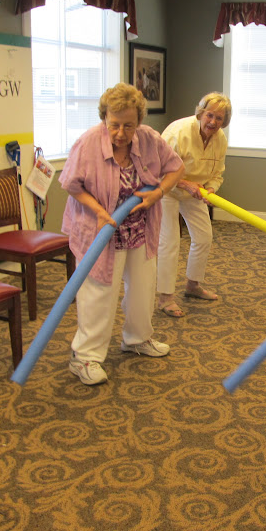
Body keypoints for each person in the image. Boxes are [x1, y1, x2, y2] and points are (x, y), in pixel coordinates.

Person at [59, 83, 185, 386]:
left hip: (139, 227)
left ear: (138, 121)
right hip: (99, 230)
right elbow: (70, 184)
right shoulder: (88, 143)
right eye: (114, 124)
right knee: (98, 292)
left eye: (128, 125)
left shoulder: (149, 140)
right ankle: (85, 357)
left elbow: (176, 168)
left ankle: (137, 339)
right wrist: (100, 211)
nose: (120, 132)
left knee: (143, 287)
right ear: (105, 117)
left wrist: (159, 193)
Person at [156, 92, 232, 317]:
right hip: (166, 190)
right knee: (170, 241)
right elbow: (158, 170)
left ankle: (192, 285)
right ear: (200, 112)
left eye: (219, 118)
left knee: (203, 237)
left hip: (194, 192)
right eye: (210, 115)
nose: (213, 122)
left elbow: (217, 173)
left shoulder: (220, 140)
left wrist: (210, 189)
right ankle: (165, 298)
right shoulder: (178, 132)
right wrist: (184, 183)